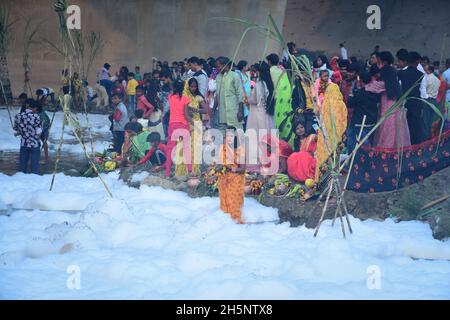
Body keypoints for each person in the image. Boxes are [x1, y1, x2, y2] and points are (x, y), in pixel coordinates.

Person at [372, 52, 411, 148]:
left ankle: (386, 146)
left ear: (382, 60)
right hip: (394, 100)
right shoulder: (392, 70)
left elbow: (382, 85)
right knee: (395, 124)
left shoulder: (385, 70)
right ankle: (395, 146)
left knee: (387, 124)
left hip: (387, 100)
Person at [314, 80, 347, 181]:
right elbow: (343, 121)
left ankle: (320, 181)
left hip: (324, 138)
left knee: (323, 159)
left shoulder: (325, 104)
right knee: (333, 160)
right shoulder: (341, 105)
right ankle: (331, 185)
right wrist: (341, 135)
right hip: (335, 138)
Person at [217, 126, 246, 224]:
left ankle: (236, 216)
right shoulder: (222, 148)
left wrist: (232, 169)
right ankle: (225, 215)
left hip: (236, 174)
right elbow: (219, 164)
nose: (229, 138)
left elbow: (242, 169)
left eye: (231, 135)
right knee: (222, 179)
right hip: (224, 175)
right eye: (227, 136)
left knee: (235, 181)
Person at [346, 71, 381, 152]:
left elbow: (350, 104)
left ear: (361, 81)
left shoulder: (359, 93)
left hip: (359, 122)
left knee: (355, 143)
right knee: (368, 144)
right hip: (371, 122)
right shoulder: (375, 93)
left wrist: (351, 93)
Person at [165, 80, 192, 177]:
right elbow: (186, 114)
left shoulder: (170, 97)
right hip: (183, 125)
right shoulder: (185, 99)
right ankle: (190, 171)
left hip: (172, 125)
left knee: (170, 149)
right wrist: (194, 124)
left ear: (174, 87)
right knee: (186, 149)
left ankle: (167, 173)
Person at [398, 51, 426, 144]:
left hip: (404, 103)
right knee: (416, 126)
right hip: (416, 103)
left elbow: (399, 87)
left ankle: (405, 144)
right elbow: (423, 92)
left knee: (405, 126)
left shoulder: (401, 73)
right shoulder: (421, 75)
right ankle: (415, 146)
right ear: (418, 61)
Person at [267, 53, 294, 146]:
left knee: (274, 122)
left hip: (274, 100)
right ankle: (288, 143)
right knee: (285, 120)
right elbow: (287, 86)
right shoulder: (282, 70)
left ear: (269, 62)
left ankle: (276, 144)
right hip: (284, 99)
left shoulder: (270, 71)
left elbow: (269, 87)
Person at [214, 56, 245, 132]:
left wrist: (240, 111)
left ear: (225, 65)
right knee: (224, 136)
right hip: (222, 113)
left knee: (238, 134)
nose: (217, 69)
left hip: (234, 112)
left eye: (218, 66)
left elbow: (240, 94)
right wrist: (214, 109)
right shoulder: (218, 77)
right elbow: (217, 94)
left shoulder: (234, 76)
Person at [183, 78, 207, 176]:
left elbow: (205, 110)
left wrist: (196, 110)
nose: (193, 88)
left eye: (195, 86)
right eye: (191, 86)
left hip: (197, 123)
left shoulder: (198, 97)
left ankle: (196, 168)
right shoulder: (184, 97)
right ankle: (188, 167)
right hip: (187, 122)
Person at [13, 99, 42, 174]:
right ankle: (34, 180)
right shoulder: (36, 116)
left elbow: (16, 128)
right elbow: (38, 131)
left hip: (24, 143)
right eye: (36, 108)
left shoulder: (18, 116)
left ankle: (21, 181)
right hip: (34, 144)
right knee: (34, 168)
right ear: (34, 108)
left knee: (22, 168)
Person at [287, 117, 317, 183]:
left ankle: (307, 176)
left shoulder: (311, 137)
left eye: (301, 127)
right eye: (297, 128)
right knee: (292, 156)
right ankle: (300, 177)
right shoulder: (296, 142)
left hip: (311, 161)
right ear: (295, 131)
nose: (300, 130)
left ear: (305, 128)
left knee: (303, 155)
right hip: (301, 164)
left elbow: (318, 137)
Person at [420, 65, 441, 140]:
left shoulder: (426, 78)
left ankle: (425, 138)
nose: (425, 71)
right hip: (434, 100)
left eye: (425, 70)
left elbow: (423, 89)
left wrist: (424, 98)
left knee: (425, 119)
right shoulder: (437, 80)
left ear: (429, 71)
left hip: (427, 99)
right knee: (431, 120)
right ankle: (430, 137)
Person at [235, 60, 251, 130]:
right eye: (247, 65)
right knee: (242, 113)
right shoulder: (238, 75)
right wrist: (245, 97)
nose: (248, 67)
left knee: (247, 114)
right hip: (243, 97)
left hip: (248, 97)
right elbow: (242, 87)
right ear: (243, 67)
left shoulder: (247, 74)